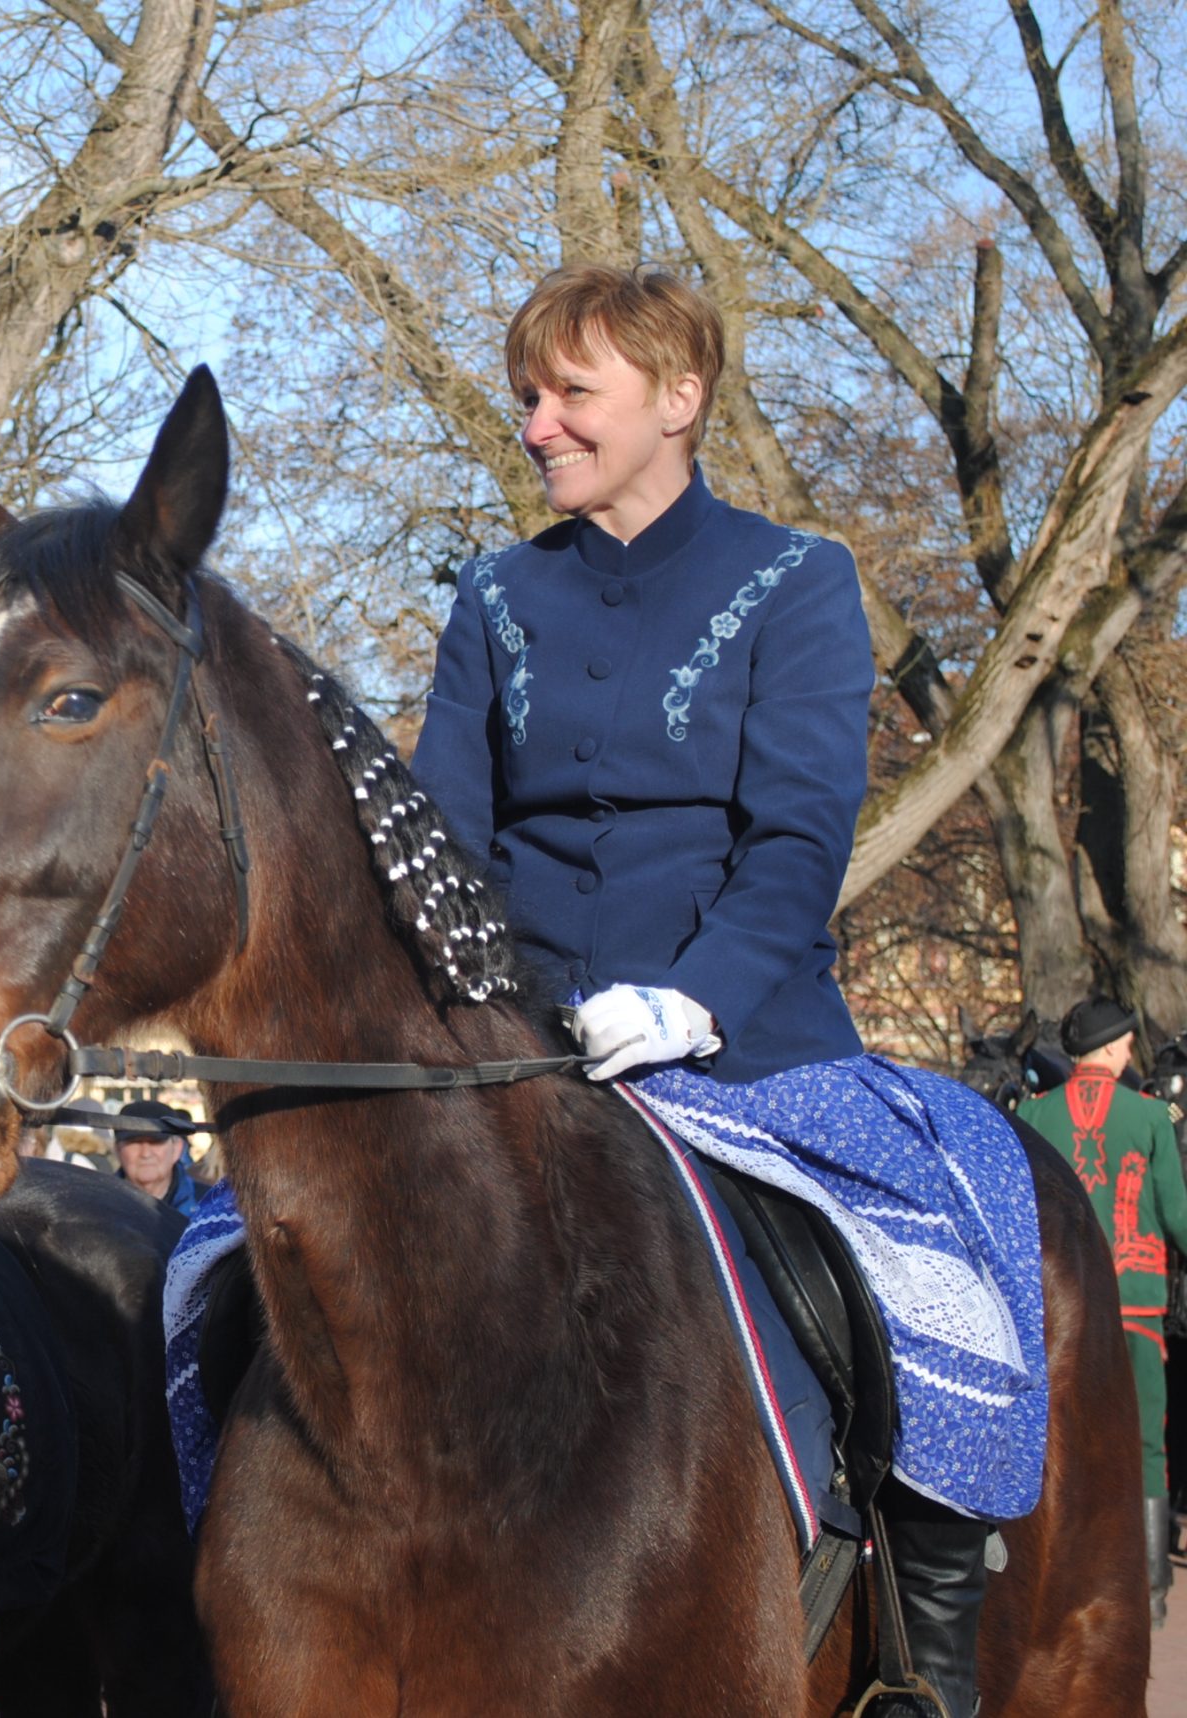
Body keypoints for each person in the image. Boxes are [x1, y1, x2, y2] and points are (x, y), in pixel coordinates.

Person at [416, 264, 1042, 1718]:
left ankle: (921, 1653)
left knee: (937, 1261)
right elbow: (444, 843)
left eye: (573, 393)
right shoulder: (494, 593)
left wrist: (687, 1003)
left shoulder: (797, 579)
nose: (538, 425)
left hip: (745, 1044)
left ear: (679, 398)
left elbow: (800, 837)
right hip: (525, 1052)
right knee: (235, 1260)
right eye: (528, 396)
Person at [1018, 997, 1187, 1623]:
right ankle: (1150, 1586)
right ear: (1118, 1049)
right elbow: (1176, 1214)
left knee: (1049, 1438)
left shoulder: (1035, 1113)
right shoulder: (1147, 1117)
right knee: (1144, 1440)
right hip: (1135, 1300)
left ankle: (1047, 1572)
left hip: (1050, 1302)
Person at [112, 1101, 202, 1216]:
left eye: (156, 1142)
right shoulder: (95, 1208)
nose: (145, 1153)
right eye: (134, 1142)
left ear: (177, 1148)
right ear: (117, 1149)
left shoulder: (212, 1206)